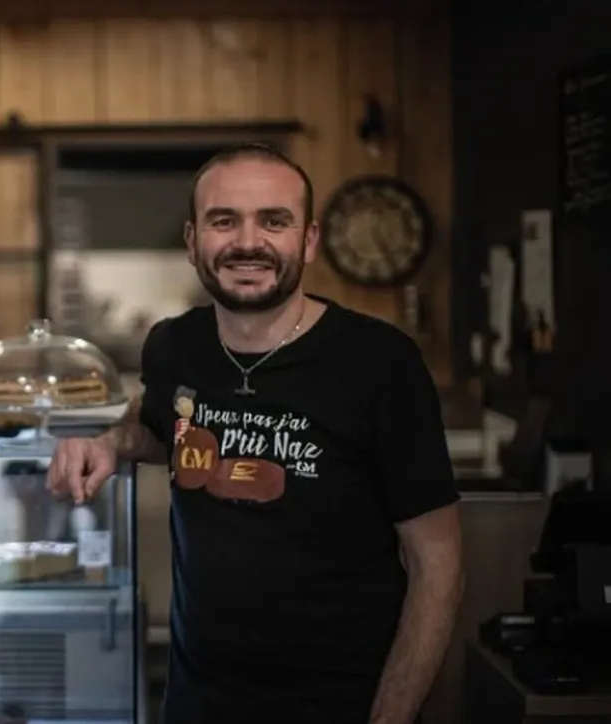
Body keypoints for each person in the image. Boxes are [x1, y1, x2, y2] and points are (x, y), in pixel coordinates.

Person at [47, 144, 464, 724]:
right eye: (224, 221)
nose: (248, 242)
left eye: (274, 220)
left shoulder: (379, 363)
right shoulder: (175, 345)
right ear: (193, 242)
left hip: (340, 704)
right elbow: (159, 423)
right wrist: (107, 444)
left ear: (309, 240)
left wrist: (391, 716)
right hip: (198, 702)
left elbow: (437, 562)